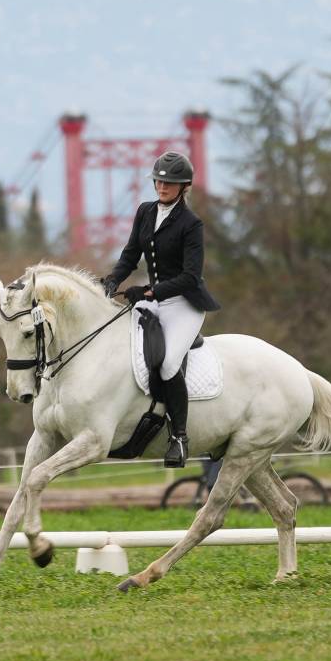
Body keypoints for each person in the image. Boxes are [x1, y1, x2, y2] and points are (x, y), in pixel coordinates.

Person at [102, 151, 221, 467]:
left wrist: (150, 291)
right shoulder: (145, 211)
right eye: (158, 180)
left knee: (168, 364)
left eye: (170, 182)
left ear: (183, 187)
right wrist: (112, 281)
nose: (162, 186)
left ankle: (179, 437)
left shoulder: (191, 224)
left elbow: (189, 276)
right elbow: (130, 255)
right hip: (152, 301)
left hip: (183, 304)